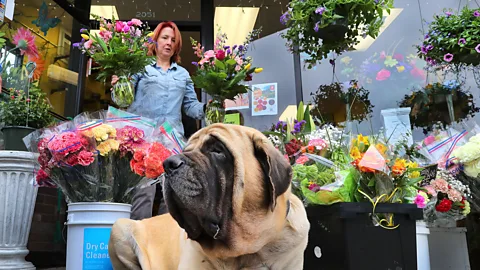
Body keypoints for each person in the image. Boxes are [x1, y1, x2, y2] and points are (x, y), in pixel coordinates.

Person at [112, 21, 206, 220]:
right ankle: (139, 242)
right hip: (142, 139)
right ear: (155, 41)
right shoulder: (141, 67)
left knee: (169, 194)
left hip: (171, 141)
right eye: (164, 38)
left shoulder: (183, 74)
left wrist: (211, 107)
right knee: (143, 193)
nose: (169, 43)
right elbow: (123, 99)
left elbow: (191, 107)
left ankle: (163, 245)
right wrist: (118, 85)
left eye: (173, 40)